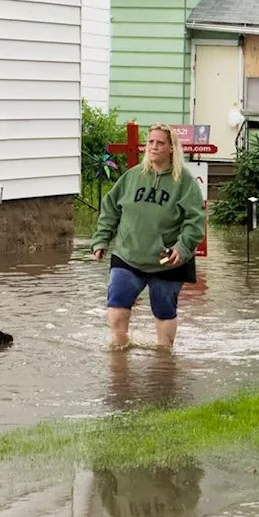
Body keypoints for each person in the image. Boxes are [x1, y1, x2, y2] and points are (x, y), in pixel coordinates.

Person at [91, 124, 205, 351]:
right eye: (150, 142)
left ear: (171, 148)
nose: (153, 147)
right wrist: (101, 239)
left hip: (167, 260)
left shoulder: (185, 183)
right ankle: (119, 360)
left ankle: (163, 363)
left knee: (163, 310)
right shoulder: (131, 177)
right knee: (116, 305)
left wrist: (182, 248)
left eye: (160, 142)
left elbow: (195, 222)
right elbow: (111, 209)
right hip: (128, 254)